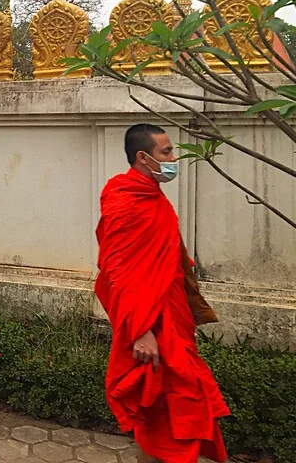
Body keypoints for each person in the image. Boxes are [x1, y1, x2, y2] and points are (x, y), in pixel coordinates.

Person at [95, 124, 230, 463]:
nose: (173, 159)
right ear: (143, 157)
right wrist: (141, 331)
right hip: (151, 325)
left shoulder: (151, 195)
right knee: (164, 404)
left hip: (171, 315)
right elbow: (119, 271)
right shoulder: (125, 199)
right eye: (166, 152)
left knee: (173, 404)